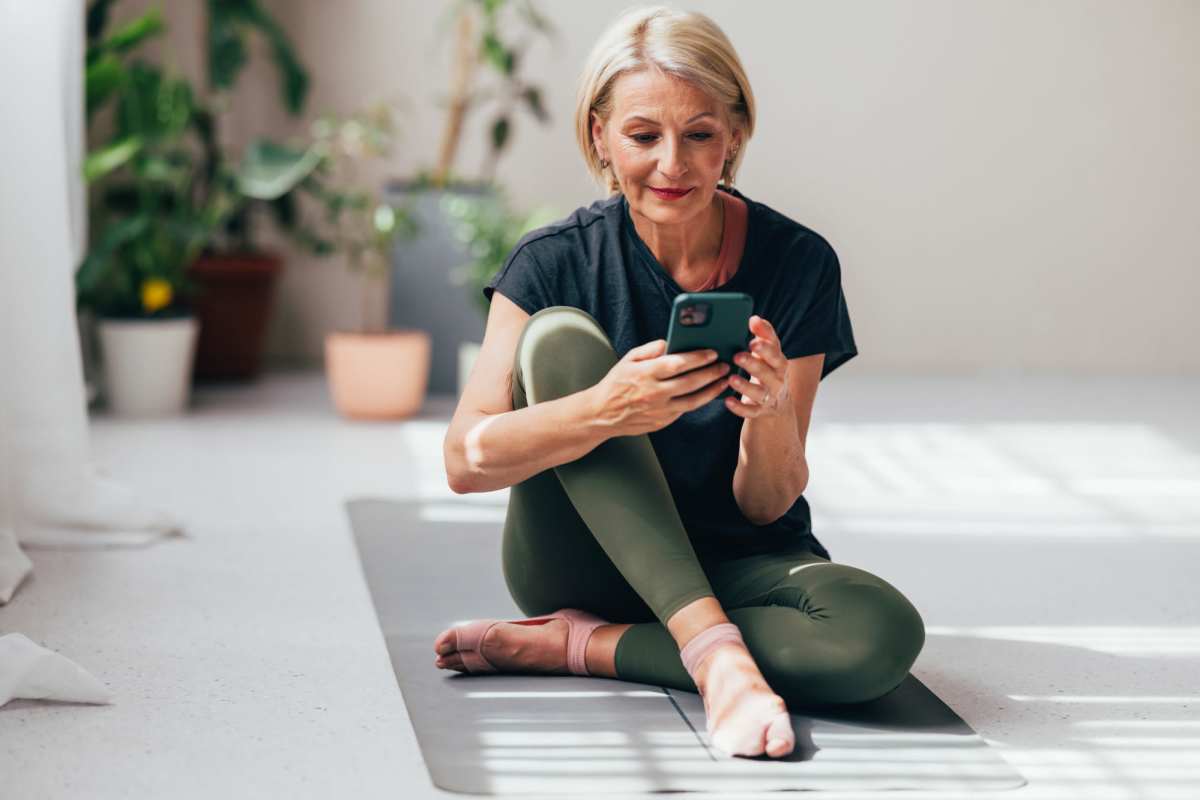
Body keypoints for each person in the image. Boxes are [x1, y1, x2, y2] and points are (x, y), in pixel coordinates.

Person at [435, 5, 924, 759]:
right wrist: (604, 409)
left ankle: (588, 647)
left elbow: (768, 502)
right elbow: (466, 461)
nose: (673, 164)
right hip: (584, 559)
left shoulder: (799, 263)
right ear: (599, 136)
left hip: (738, 562)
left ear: (734, 135)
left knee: (879, 636)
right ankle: (717, 659)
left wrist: (771, 411)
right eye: (643, 135)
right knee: (561, 338)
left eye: (699, 134)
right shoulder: (552, 264)